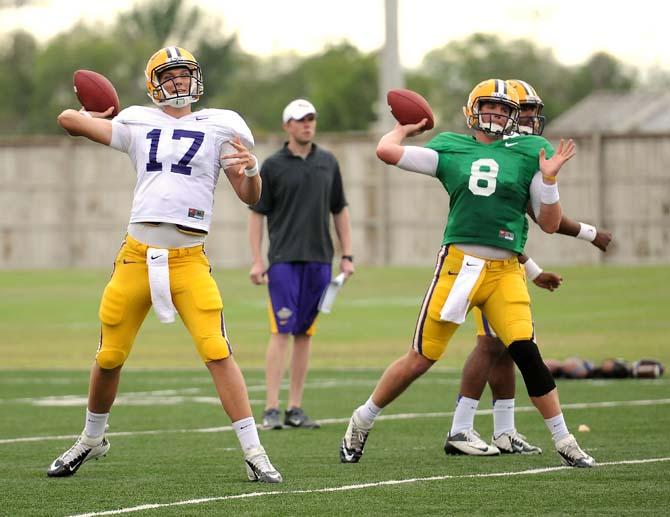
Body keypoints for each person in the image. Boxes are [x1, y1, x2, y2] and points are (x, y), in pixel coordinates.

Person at [47, 46, 282, 483]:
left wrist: (252, 171)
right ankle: (92, 438)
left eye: (182, 75)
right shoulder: (136, 120)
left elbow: (251, 196)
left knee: (217, 350)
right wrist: (95, 111)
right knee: (109, 355)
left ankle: (254, 451)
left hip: (189, 260)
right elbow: (68, 121)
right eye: (168, 76)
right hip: (136, 256)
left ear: (195, 78)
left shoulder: (222, 125)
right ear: (154, 84)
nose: (177, 83)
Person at [340, 78, 595, 468]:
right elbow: (386, 151)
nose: (495, 113)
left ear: (513, 115)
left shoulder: (531, 152)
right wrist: (404, 128)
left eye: (503, 108)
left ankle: (564, 440)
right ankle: (362, 418)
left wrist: (549, 179)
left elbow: (548, 222)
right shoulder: (451, 146)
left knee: (526, 350)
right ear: (471, 111)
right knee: (421, 358)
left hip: (506, 270)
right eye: (489, 106)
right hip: (459, 266)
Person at [444, 79, 613, 457]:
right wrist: (590, 234)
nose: (534, 119)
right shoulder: (510, 154)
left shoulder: (520, 151)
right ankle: (461, 427)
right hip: (484, 266)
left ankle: (504, 430)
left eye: (535, 112)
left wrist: (533, 270)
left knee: (504, 347)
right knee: (490, 345)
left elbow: (515, 227)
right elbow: (539, 220)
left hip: (506, 263)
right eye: (529, 111)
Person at [249, 99, 354, 430]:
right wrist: (256, 260)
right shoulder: (272, 165)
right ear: (287, 126)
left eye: (311, 119)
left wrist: (346, 254)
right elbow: (257, 214)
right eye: (300, 120)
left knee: (305, 334)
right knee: (281, 331)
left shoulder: (327, 162)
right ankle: (270, 408)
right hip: (282, 261)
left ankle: (295, 408)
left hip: (320, 261)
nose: (307, 124)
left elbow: (339, 209)